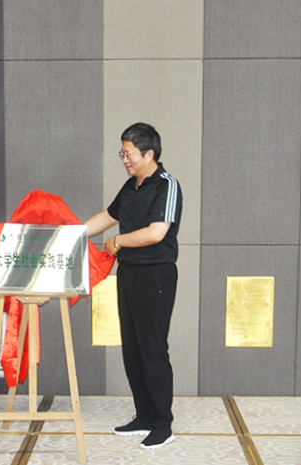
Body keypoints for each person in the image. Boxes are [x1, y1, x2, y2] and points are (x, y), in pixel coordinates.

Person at [85, 122, 182, 450]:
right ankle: (144, 415)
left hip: (156, 275)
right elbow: (109, 215)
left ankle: (163, 423)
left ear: (149, 153)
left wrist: (117, 241)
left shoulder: (167, 185)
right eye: (122, 154)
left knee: (152, 348)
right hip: (128, 274)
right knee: (133, 348)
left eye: (129, 154)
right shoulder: (131, 186)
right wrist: (72, 234)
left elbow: (157, 232)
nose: (125, 160)